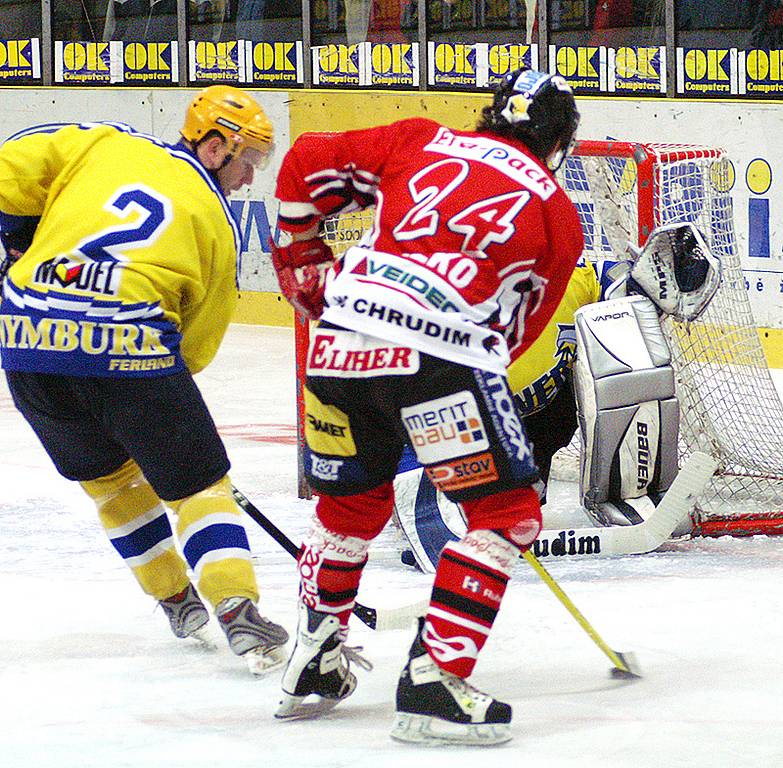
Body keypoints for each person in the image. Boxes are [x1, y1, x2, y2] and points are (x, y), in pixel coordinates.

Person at [270, 68, 583, 744]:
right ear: (557, 143)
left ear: (488, 117)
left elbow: (303, 164)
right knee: (506, 513)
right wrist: (440, 399)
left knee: (350, 507)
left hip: (336, 342)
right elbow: (511, 334)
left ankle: (312, 663)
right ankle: (435, 680)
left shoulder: (420, 140)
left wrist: (299, 252)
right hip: (440, 354)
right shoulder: (556, 212)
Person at [0, 85, 289, 675]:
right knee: (199, 488)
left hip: (25, 340)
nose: (249, 179)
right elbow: (196, 347)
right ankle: (236, 607)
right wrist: (150, 391)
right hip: (130, 347)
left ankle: (175, 600)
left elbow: (10, 170)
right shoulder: (214, 220)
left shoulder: (103, 144)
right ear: (213, 146)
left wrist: (17, 238)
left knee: (112, 487)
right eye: (246, 160)